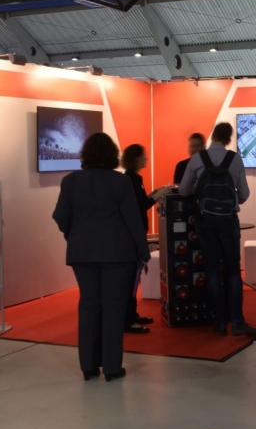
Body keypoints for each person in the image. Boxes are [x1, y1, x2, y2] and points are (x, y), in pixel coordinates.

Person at [53, 133, 149, 381]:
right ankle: (112, 367)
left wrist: (74, 236)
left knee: (89, 306)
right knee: (114, 310)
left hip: (82, 253)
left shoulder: (70, 181)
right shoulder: (120, 182)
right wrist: (143, 250)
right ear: (112, 155)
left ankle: (88, 366)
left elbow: (60, 216)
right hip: (118, 254)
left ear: (85, 155)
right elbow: (133, 221)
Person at [179, 123, 256, 338]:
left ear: (213, 136)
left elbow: (184, 190)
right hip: (228, 222)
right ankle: (238, 322)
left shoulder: (198, 159)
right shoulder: (234, 159)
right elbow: (243, 194)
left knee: (213, 271)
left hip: (205, 221)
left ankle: (219, 323)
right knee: (233, 272)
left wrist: (199, 189)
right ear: (228, 138)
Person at [121, 144, 171, 334]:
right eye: (143, 156)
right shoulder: (130, 180)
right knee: (131, 279)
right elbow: (139, 206)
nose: (146, 159)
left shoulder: (134, 179)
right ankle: (128, 319)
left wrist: (155, 194)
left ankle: (132, 315)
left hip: (136, 232)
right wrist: (157, 196)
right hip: (133, 235)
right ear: (136, 159)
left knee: (134, 277)